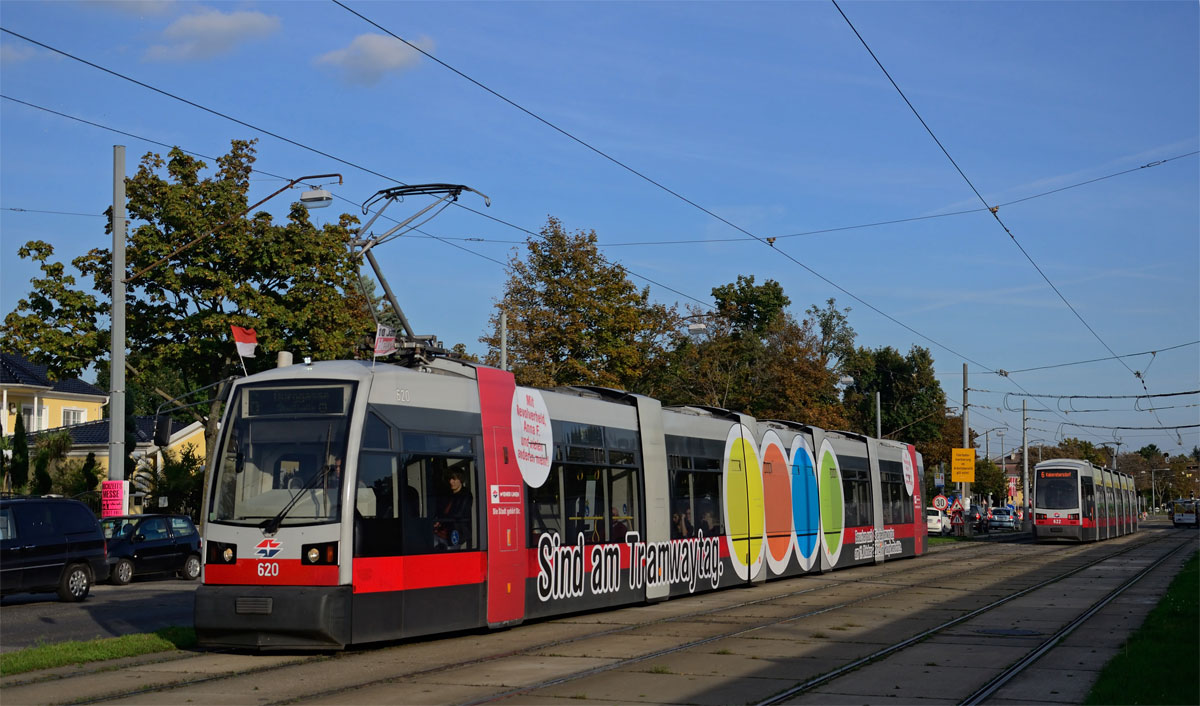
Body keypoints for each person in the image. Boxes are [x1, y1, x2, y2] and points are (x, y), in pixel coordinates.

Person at [434, 469, 472, 549]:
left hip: (454, 534)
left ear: (460, 479)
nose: (451, 481)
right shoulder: (448, 493)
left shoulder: (466, 495)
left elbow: (459, 514)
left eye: (454, 479)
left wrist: (440, 520)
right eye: (449, 479)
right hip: (439, 533)